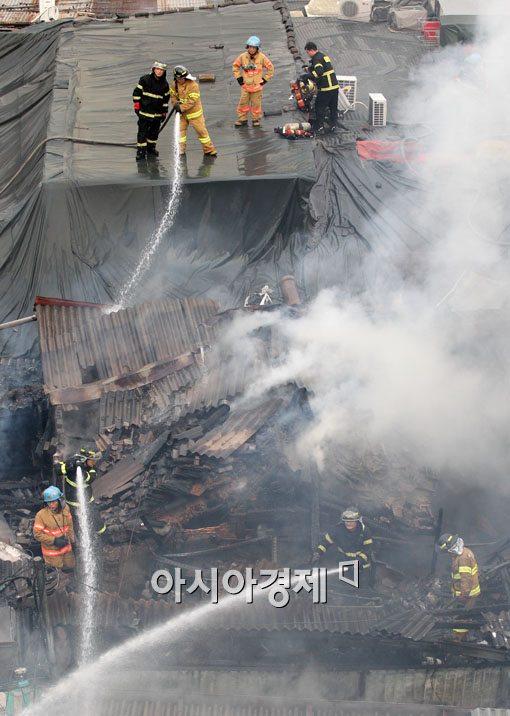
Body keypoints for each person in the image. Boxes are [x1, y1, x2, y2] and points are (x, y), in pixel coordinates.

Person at [313, 507, 374, 586]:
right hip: (344, 563)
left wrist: (359, 560)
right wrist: (318, 552)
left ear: (357, 520)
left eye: (351, 521)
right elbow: (325, 542)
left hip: (362, 567)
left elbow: (368, 549)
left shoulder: (364, 531)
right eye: (346, 521)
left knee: (361, 588)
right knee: (342, 587)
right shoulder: (337, 529)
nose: (348, 523)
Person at [437, 533, 481, 641]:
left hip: (467, 594)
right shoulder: (461, 552)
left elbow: (466, 578)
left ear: (451, 548)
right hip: (465, 592)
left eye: (447, 550)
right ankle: (460, 635)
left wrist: (463, 594)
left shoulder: (463, 558)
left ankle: (458, 639)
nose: (447, 553)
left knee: (462, 616)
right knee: (461, 615)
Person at [57, 448, 106, 537]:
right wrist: (69, 465)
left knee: (97, 521)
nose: (94, 462)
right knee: (77, 525)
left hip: (88, 502)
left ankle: (103, 536)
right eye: (92, 460)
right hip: (73, 504)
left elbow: (88, 478)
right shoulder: (73, 464)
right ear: (85, 460)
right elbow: (58, 470)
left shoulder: (93, 469)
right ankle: (80, 538)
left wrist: (80, 468)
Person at [170, 66, 217, 157]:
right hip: (182, 114)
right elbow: (173, 95)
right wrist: (175, 104)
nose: (180, 80)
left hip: (194, 114)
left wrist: (181, 107)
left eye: (182, 78)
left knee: (201, 132)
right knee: (180, 132)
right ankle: (180, 149)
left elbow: (192, 101)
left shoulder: (193, 85)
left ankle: (209, 149)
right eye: (178, 79)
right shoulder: (174, 84)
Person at [232, 36, 274, 127]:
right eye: (250, 47)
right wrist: (239, 78)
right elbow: (235, 66)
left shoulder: (262, 57)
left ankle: (255, 119)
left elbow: (271, 68)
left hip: (257, 87)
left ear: (257, 48)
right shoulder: (242, 57)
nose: (251, 49)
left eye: (254, 48)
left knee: (256, 104)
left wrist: (264, 80)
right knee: (243, 103)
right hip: (245, 86)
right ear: (247, 47)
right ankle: (242, 119)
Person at [133, 61, 170, 161]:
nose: (159, 71)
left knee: (154, 133)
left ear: (164, 72)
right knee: (142, 133)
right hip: (145, 113)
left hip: (157, 114)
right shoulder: (145, 79)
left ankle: (150, 149)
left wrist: (164, 112)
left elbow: (165, 100)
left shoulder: (165, 85)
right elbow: (137, 93)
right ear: (153, 70)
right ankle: (141, 152)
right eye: (157, 69)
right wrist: (137, 105)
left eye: (161, 70)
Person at [33, 486, 75, 570]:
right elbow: (37, 534)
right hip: (52, 554)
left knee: (70, 568)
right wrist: (54, 540)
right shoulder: (41, 515)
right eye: (49, 502)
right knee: (56, 573)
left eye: (54, 501)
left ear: (60, 500)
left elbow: (70, 526)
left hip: (67, 550)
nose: (51, 505)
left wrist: (73, 542)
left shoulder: (66, 509)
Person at [302, 41, 339, 134]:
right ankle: (334, 125)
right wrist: (309, 68)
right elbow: (324, 68)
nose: (308, 54)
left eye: (307, 52)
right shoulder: (323, 56)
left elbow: (319, 71)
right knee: (333, 108)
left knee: (319, 107)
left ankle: (320, 127)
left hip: (326, 88)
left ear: (311, 50)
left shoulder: (316, 59)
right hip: (335, 87)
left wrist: (308, 76)